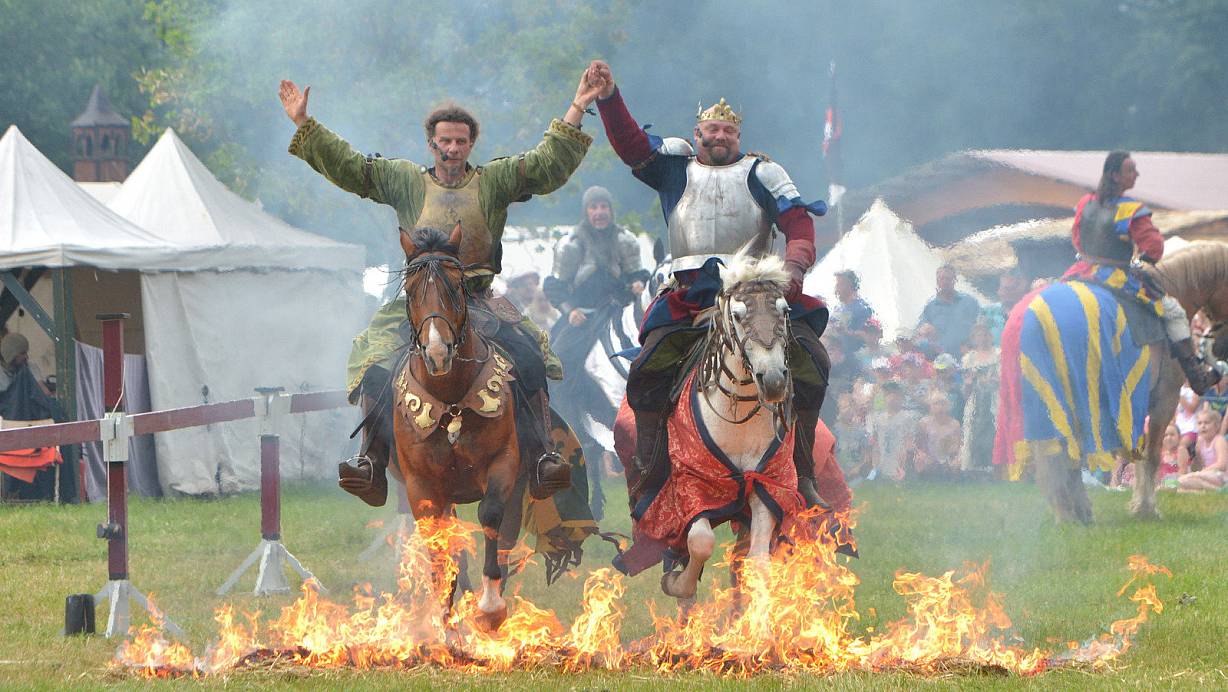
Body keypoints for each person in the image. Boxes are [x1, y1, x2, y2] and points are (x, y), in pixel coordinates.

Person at [278, 66, 605, 507]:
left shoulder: (494, 181)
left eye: (461, 141)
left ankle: (543, 455)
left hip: (479, 300)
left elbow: (547, 163)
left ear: (471, 145)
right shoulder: (404, 180)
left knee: (529, 357)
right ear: (431, 143)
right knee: (375, 363)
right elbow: (351, 166)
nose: (452, 148)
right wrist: (304, 124)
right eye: (445, 141)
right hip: (420, 302)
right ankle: (370, 460)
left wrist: (579, 105)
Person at [589, 59, 831, 509]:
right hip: (691, 295)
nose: (720, 137)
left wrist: (794, 269)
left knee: (812, 360)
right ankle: (652, 466)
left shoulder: (763, 173)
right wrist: (608, 98)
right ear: (697, 135)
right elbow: (630, 145)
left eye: (728, 132)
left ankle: (803, 467)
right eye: (711, 130)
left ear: (738, 138)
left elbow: (799, 224)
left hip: (757, 295)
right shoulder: (674, 168)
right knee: (646, 370)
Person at [1066, 151, 1222, 394]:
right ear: (1116, 176)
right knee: (1174, 311)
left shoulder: (1085, 203)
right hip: (1114, 276)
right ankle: (1197, 374)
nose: (1136, 174)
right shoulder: (1131, 210)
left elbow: (1076, 238)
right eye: (1131, 170)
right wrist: (1143, 259)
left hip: (1080, 271)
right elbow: (1154, 249)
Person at [542, 185, 648, 519]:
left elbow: (638, 273)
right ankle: (563, 417)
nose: (599, 212)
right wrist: (568, 308)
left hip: (617, 313)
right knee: (554, 365)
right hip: (582, 317)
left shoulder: (626, 240)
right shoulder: (572, 245)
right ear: (586, 212)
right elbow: (554, 286)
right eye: (594, 208)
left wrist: (637, 284)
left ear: (610, 210)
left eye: (604, 206)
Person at [959, 322, 999, 473]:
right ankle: (975, 467)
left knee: (995, 429)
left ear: (990, 336)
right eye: (979, 335)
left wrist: (994, 380)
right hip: (976, 400)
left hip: (995, 399)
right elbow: (965, 389)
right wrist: (969, 383)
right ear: (974, 338)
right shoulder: (968, 359)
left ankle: (996, 466)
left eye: (985, 334)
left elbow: (1005, 379)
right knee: (974, 431)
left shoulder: (999, 354)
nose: (982, 338)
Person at [918, 265, 981, 356]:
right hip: (942, 364)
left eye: (948, 279)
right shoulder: (930, 307)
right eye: (941, 279)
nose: (944, 282)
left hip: (968, 359)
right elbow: (921, 333)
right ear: (937, 282)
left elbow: (981, 328)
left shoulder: (970, 302)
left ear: (955, 280)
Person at [867, 382, 920, 482]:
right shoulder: (878, 418)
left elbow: (909, 443)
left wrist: (903, 467)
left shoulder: (908, 417)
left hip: (899, 459)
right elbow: (876, 444)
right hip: (883, 459)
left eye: (895, 395)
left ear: (901, 397)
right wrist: (874, 467)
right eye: (888, 394)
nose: (892, 397)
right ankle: (875, 473)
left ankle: (901, 473)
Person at [829, 270, 881, 356]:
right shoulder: (838, 308)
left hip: (854, 358)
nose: (836, 288)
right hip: (836, 357)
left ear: (849, 285)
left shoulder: (862, 308)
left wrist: (846, 331)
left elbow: (868, 336)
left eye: (839, 284)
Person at [1176, 410, 1228, 491]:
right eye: (1199, 423)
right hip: (1206, 475)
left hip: (1221, 476)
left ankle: (1219, 489)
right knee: (1184, 483)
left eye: (1206, 423)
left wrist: (1202, 472)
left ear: (1216, 426)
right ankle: (1166, 485)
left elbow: (1222, 465)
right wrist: (1197, 454)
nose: (1203, 426)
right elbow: (1198, 467)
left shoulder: (1219, 440)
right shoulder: (1200, 441)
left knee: (1186, 479)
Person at [914, 391, 962, 479]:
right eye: (936, 404)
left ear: (948, 406)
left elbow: (958, 446)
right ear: (930, 406)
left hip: (948, 458)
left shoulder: (955, 424)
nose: (940, 407)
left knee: (957, 462)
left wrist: (955, 457)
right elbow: (918, 446)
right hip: (929, 458)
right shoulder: (923, 423)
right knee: (920, 459)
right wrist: (924, 456)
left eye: (943, 403)